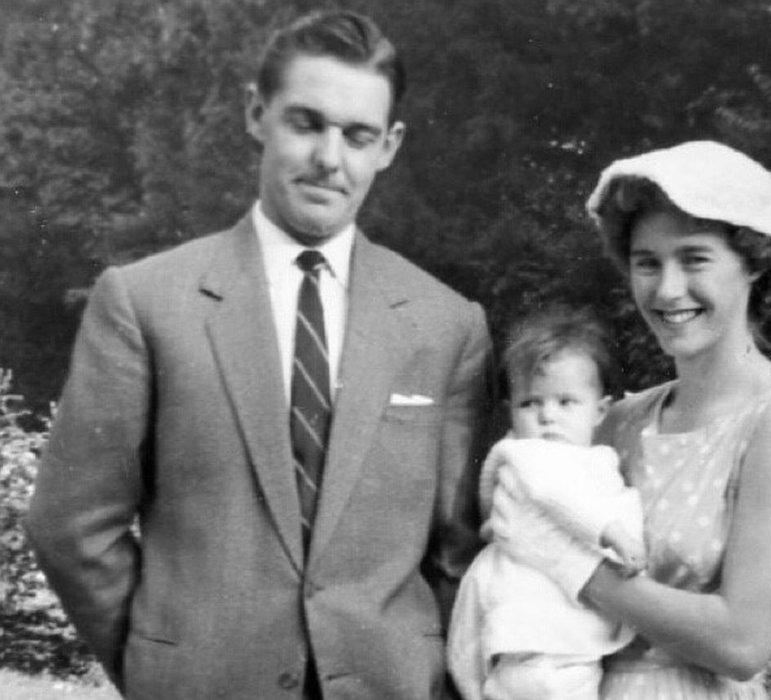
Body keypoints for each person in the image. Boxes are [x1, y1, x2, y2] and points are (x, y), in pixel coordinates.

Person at [26, 10, 491, 700]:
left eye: (357, 135)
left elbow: (458, 550)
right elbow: (71, 525)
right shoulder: (147, 301)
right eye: (306, 123)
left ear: (389, 146)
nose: (330, 159)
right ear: (256, 114)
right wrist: (163, 661)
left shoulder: (447, 324)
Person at [489, 140, 771, 698]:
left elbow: (742, 644)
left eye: (694, 258)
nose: (668, 289)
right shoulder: (621, 418)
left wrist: (571, 564)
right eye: (647, 263)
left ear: (753, 264)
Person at [448, 308, 645, 700]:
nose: (547, 416)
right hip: (532, 634)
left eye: (566, 402)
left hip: (567, 640)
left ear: (600, 411)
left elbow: (623, 500)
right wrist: (610, 531)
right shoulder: (533, 456)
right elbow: (552, 494)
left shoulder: (598, 460)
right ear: (510, 411)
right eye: (529, 403)